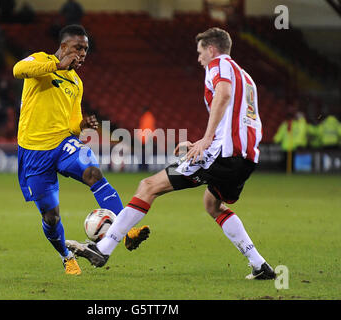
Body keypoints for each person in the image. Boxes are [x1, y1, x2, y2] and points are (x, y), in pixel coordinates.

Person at [66, 27, 276, 280]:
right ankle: (259, 265)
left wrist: (208, 141)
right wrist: (203, 141)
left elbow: (224, 94)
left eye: (200, 53)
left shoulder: (218, 65)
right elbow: (237, 118)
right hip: (246, 157)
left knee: (148, 186)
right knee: (212, 204)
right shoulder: (247, 78)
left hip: (223, 153)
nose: (198, 59)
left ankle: (103, 249)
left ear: (211, 49)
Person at [13, 25, 149, 276]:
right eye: (78, 48)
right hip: (34, 152)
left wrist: (81, 125)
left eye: (86, 49)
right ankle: (66, 256)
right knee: (51, 217)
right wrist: (57, 65)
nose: (83, 53)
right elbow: (18, 69)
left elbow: (72, 125)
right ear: (63, 47)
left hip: (63, 143)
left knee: (93, 173)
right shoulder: (42, 61)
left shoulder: (76, 82)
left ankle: (127, 230)